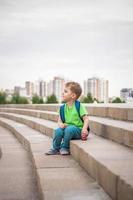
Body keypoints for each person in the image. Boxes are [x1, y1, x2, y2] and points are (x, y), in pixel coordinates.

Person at [45, 81, 89, 155]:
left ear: (73, 95)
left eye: (65, 91)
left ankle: (65, 147)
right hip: (67, 129)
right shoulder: (62, 108)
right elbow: (59, 121)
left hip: (78, 130)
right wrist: (61, 124)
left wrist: (84, 129)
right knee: (58, 131)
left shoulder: (79, 106)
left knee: (70, 129)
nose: (63, 93)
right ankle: (55, 148)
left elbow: (86, 119)